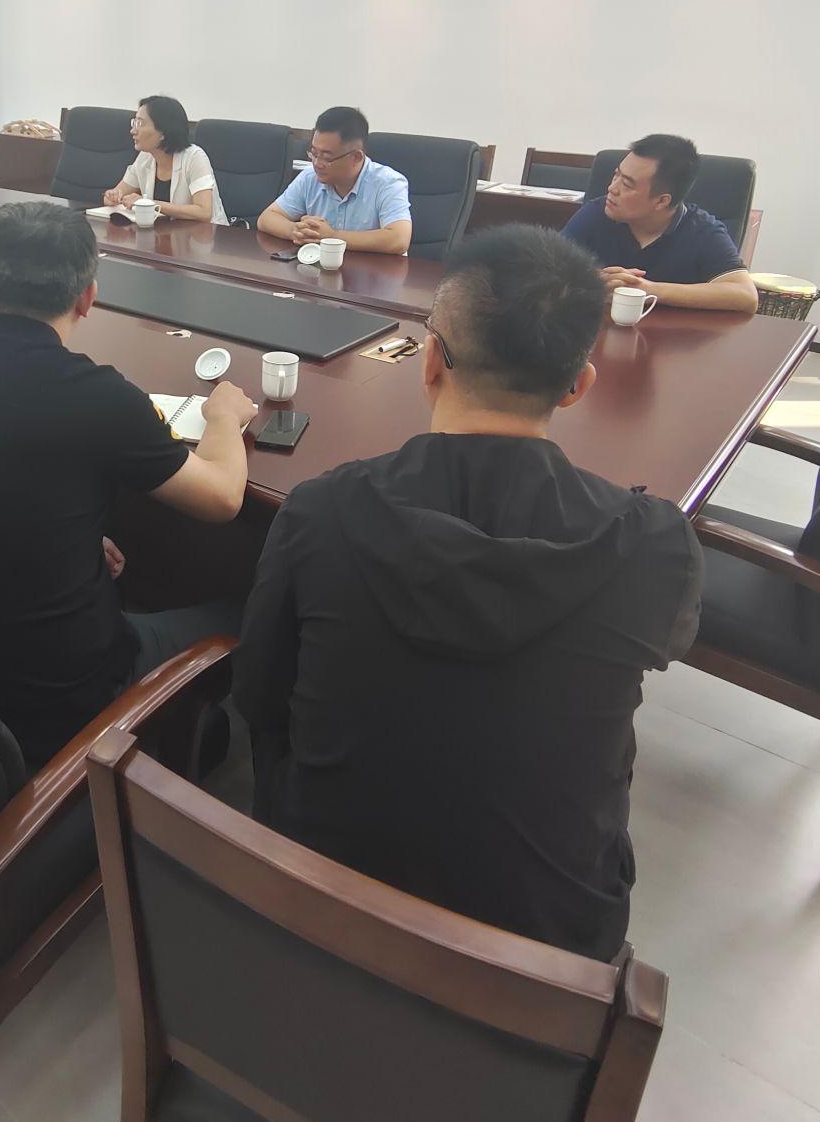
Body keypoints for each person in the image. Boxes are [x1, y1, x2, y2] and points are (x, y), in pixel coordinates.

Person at [234, 226, 700, 962]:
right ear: (578, 385)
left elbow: (259, 692)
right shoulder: (653, 544)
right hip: (544, 953)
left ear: (428, 361)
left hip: (319, 897)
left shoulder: (320, 512)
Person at [0, 202, 259, 765]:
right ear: (88, 297)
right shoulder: (97, 397)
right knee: (246, 611)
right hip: (62, 694)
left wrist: (76, 540)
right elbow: (223, 498)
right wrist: (223, 417)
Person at [561, 134, 758, 312]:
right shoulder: (597, 212)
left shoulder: (702, 231)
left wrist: (649, 290)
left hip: (675, 337)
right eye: (616, 175)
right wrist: (593, 281)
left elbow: (746, 296)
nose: (612, 188)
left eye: (627, 184)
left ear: (662, 201)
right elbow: (547, 268)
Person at [257, 106, 413, 255]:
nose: (317, 164)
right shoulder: (309, 177)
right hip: (322, 270)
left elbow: (399, 239)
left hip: (376, 271)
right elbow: (267, 218)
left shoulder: (388, 183)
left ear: (356, 157)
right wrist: (295, 230)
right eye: (314, 153)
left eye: (327, 157)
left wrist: (332, 236)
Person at [103, 95, 227, 224]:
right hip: (164, 232)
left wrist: (150, 204)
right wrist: (112, 197)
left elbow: (204, 212)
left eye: (140, 124)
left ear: (163, 132)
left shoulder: (194, 157)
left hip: (206, 234)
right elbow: (116, 194)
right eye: (134, 122)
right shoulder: (145, 156)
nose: (133, 131)